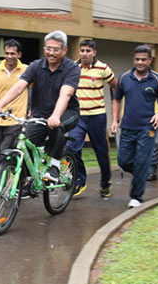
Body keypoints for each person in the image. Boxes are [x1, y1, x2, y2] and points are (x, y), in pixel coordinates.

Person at [0, 30, 80, 191]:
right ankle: (26, 180)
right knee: (21, 143)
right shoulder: (36, 66)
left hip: (67, 112)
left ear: (64, 50)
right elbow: (18, 87)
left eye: (56, 49)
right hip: (40, 114)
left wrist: (56, 115)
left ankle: (55, 166)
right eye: (48, 48)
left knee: (56, 126)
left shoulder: (71, 68)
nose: (51, 52)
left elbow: (65, 94)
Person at [110, 45, 158, 208]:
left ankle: (136, 197)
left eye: (143, 59)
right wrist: (115, 120)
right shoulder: (124, 78)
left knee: (142, 161)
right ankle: (141, 173)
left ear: (150, 60)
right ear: (133, 59)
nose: (140, 62)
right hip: (127, 127)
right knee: (123, 161)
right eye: (137, 59)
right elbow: (116, 99)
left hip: (148, 128)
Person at [65, 40, 117, 198]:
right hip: (78, 116)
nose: (84, 54)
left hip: (97, 116)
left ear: (94, 52)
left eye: (88, 51)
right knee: (71, 149)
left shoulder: (103, 68)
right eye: (82, 50)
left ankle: (105, 184)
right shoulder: (73, 67)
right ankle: (79, 180)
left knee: (102, 152)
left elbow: (115, 85)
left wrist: (115, 102)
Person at [0, 39, 29, 162]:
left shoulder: (26, 70)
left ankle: (1, 180)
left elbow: (36, 91)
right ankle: (21, 178)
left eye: (12, 53)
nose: (9, 56)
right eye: (7, 53)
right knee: (8, 152)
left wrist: (32, 111)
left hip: (17, 119)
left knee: (4, 152)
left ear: (19, 54)